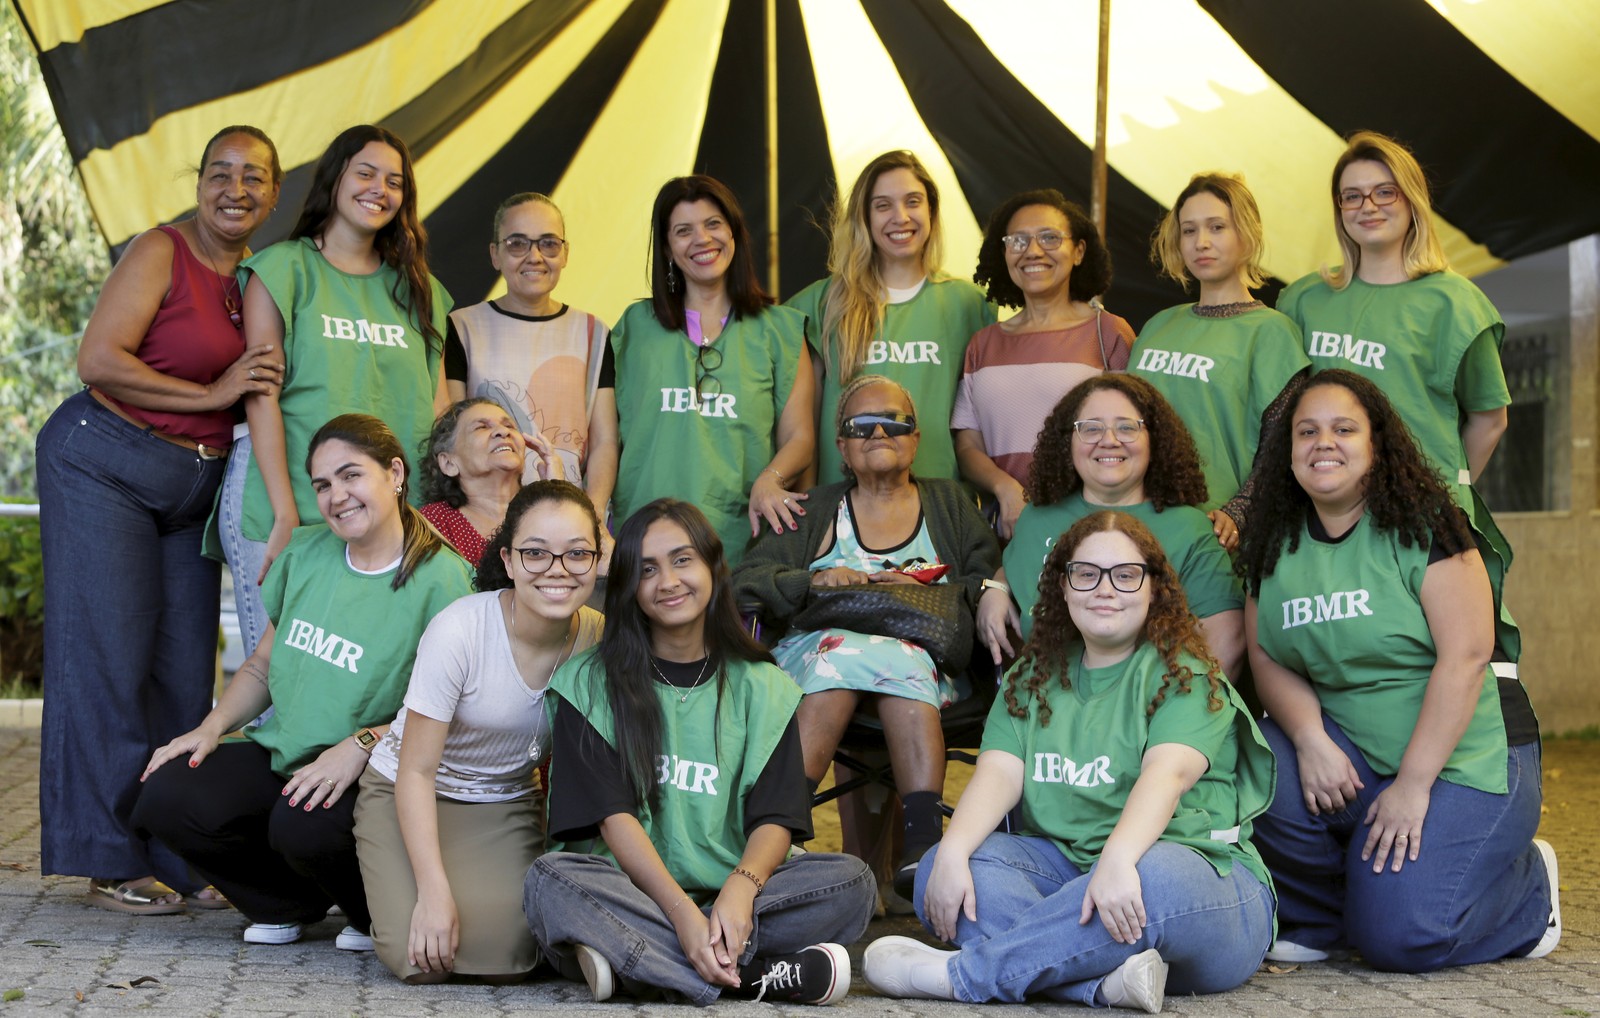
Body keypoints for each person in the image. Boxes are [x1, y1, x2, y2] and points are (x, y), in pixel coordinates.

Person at [863, 511, 1275, 1011]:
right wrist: (951, 853)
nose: (1105, 589)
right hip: (1070, 874)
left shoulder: (1186, 674)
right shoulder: (1033, 675)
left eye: (1126, 575)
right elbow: (998, 774)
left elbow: (1166, 776)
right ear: (1063, 585)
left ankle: (965, 977)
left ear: (1154, 587)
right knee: (944, 866)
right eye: (1087, 573)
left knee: (1151, 874)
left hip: (1206, 890)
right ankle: (1100, 984)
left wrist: (1118, 860)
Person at [36, 125, 284, 915]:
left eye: (254, 176)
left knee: (184, 675)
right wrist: (212, 395)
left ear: (274, 193)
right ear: (199, 182)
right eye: (221, 173)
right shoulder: (161, 251)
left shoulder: (260, 278)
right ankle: (107, 856)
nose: (235, 189)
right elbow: (99, 359)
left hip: (195, 492)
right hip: (104, 461)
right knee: (108, 661)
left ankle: (179, 850)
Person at [1239, 369, 1556, 972]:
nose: (1323, 443)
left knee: (1402, 937)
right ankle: (1329, 919)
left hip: (1465, 756)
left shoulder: (1424, 523)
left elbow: (1467, 656)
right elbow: (1266, 656)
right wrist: (1309, 738)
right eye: (1306, 431)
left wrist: (1413, 785)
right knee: (1257, 764)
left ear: (1376, 443)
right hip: (1355, 751)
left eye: (1344, 429)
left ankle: (1528, 894)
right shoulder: (1272, 542)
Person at [133, 415, 474, 949]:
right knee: (166, 792)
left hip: (376, 770)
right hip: (289, 755)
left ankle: (374, 913)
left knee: (301, 826)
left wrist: (361, 744)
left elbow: (455, 711)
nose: (337, 496)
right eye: (322, 484)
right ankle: (287, 903)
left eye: (351, 475)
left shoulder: (445, 580)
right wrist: (210, 728)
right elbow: (262, 664)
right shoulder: (306, 552)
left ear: (395, 473)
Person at [525, 500, 877, 1005]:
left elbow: (775, 818)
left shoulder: (763, 686)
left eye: (682, 560)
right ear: (628, 586)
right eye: (647, 569)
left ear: (713, 565)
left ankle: (639, 964)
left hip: (731, 891)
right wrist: (682, 916)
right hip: (630, 891)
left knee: (853, 882)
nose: (668, 581)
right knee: (550, 881)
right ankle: (751, 975)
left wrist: (741, 890)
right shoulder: (589, 683)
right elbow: (613, 819)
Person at [735, 375, 1001, 898]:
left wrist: (924, 588)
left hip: (927, 666)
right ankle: (918, 840)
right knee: (843, 659)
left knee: (895, 658)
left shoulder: (950, 504)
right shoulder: (812, 509)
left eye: (894, 422)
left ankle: (787, 831)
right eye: (861, 425)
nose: (879, 432)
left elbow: (985, 580)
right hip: (818, 663)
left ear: (916, 437)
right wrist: (813, 580)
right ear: (842, 445)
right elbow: (747, 580)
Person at [1275, 132, 1519, 663]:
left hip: (1415, 521)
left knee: (1426, 660)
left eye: (1385, 192)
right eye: (1352, 196)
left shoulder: (1454, 302)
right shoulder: (1304, 299)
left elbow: (1490, 419)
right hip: (1324, 518)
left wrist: (1435, 491)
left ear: (1412, 201)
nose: (1368, 206)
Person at [354, 480, 604, 982]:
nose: (557, 569)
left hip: (503, 800)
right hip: (411, 789)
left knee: (508, 957)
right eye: (536, 553)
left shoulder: (599, 637)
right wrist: (433, 893)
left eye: (577, 553)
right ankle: (388, 879)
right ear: (508, 560)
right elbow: (416, 771)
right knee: (420, 961)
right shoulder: (460, 629)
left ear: (597, 561)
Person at [222, 124, 451, 659]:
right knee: (277, 676)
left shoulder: (422, 293)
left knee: (373, 677)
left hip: (392, 523)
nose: (379, 189)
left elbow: (438, 410)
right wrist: (284, 512)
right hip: (290, 507)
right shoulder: (282, 268)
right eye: (365, 173)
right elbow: (261, 396)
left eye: (394, 181)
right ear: (335, 179)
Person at [979, 375, 1244, 681]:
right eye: (1091, 428)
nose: (1109, 440)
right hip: (1045, 701)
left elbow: (1226, 642)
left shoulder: (1189, 529)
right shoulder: (1037, 518)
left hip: (1152, 703)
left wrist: (1171, 705)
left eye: (1127, 427)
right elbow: (1019, 568)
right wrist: (996, 588)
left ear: (1154, 439)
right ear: (1068, 440)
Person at [610, 175, 813, 567]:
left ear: (734, 233)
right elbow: (605, 438)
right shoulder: (633, 327)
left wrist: (771, 477)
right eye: (683, 231)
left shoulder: (780, 330)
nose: (702, 239)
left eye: (713, 224)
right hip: (645, 547)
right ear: (667, 248)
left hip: (741, 547)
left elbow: (800, 438)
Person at [791, 150, 994, 486]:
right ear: (864, 217)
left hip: (938, 501)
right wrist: (812, 505)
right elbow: (801, 428)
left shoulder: (969, 304)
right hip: (842, 503)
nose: (900, 217)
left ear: (931, 210)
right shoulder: (819, 304)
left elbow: (979, 424)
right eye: (883, 205)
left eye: (913, 202)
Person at [1131, 172, 1308, 549]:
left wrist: (1239, 512)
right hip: (1135, 524)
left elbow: (1281, 446)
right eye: (1189, 230)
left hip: (1213, 532)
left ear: (1246, 233)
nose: (1202, 242)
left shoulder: (1272, 332)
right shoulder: (1158, 325)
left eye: (1217, 227)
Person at [953, 189, 1133, 537]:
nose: (1033, 251)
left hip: (1091, 527)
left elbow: (1132, 435)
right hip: (1005, 530)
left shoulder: (1109, 332)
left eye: (1050, 237)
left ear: (1078, 251)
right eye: (1018, 240)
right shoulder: (983, 344)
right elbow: (967, 445)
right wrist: (1007, 489)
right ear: (1004, 253)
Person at [443, 191, 617, 518]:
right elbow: (452, 434)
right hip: (485, 515)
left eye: (548, 243)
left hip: (569, 515)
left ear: (565, 253)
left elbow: (604, 441)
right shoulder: (462, 327)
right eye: (517, 244)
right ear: (495, 254)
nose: (534, 256)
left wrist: (591, 515)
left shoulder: (593, 332)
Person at [417, 397, 562, 566]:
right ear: (449, 463)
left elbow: (587, 568)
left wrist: (558, 494)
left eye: (509, 426)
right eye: (481, 427)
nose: (503, 431)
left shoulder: (543, 507)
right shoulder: (433, 522)